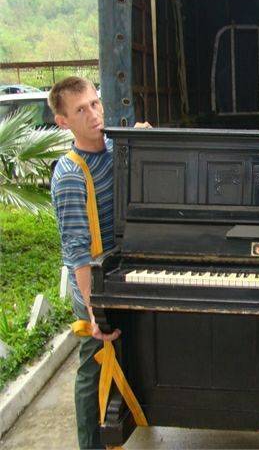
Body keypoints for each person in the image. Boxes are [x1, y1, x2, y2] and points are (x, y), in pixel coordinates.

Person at [49, 76, 149, 449]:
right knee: (94, 363)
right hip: (94, 282)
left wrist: (146, 142)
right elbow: (77, 254)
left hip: (119, 269)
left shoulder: (114, 150)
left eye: (95, 103)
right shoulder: (71, 175)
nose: (93, 114)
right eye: (80, 110)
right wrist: (94, 313)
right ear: (63, 121)